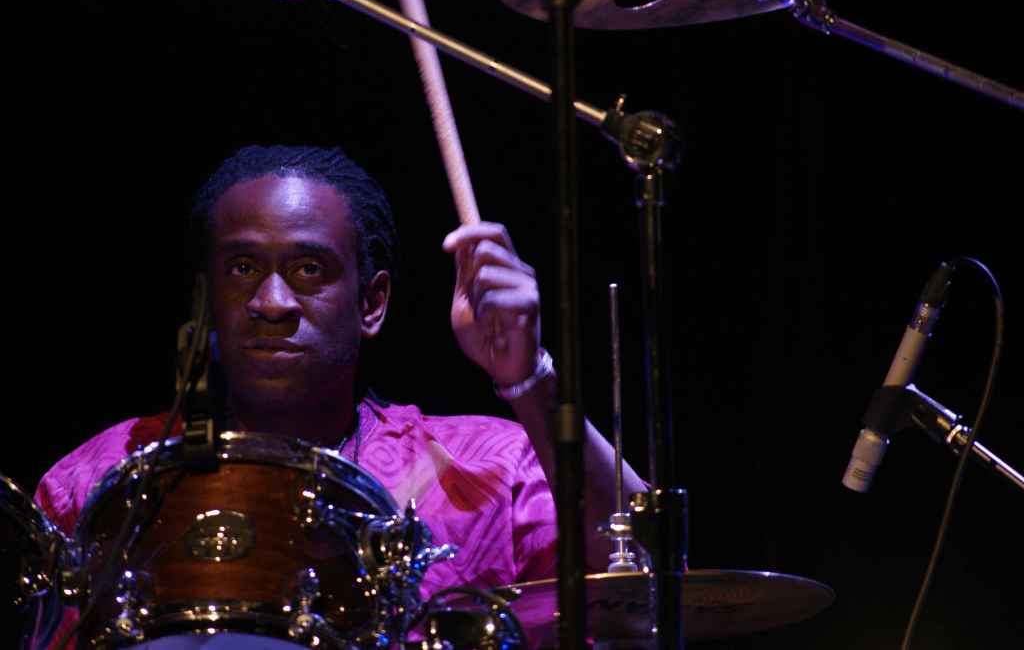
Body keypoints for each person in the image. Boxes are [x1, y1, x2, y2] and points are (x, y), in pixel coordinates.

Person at [33, 145, 645, 646]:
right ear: (204, 297)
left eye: (309, 270)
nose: (272, 303)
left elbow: (643, 580)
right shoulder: (98, 481)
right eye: (242, 268)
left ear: (372, 303)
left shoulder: (492, 470)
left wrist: (529, 377)